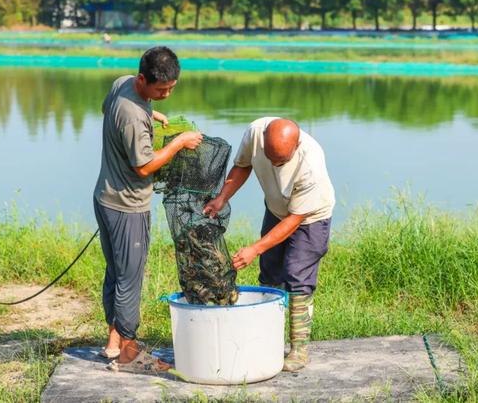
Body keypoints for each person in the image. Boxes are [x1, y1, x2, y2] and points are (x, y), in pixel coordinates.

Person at [93, 46, 202, 373]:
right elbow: (144, 166)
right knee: (130, 279)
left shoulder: (122, 84)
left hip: (105, 198)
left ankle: (114, 344)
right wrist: (178, 143)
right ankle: (128, 354)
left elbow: (107, 108)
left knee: (116, 272)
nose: (166, 94)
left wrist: (149, 110)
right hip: (127, 206)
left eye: (171, 88)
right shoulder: (132, 115)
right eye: (160, 90)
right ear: (142, 78)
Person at [204, 117, 335, 372]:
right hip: (276, 209)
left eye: (281, 161)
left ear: (296, 147)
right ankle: (269, 340)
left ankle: (299, 349)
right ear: (263, 139)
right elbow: (243, 166)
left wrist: (255, 247)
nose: (275, 164)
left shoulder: (311, 162)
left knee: (296, 274)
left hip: (309, 218)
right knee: (270, 272)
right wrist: (222, 198)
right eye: (271, 157)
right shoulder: (255, 132)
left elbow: (295, 220)